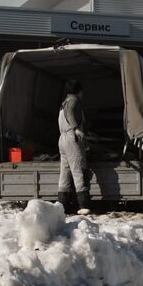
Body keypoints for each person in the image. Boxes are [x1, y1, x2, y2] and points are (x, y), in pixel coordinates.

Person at [57, 79, 92, 215]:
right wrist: (76, 128)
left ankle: (61, 205)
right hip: (71, 138)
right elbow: (70, 113)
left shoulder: (63, 102)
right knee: (78, 170)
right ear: (78, 91)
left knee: (65, 173)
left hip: (62, 138)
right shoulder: (73, 101)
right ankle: (83, 205)